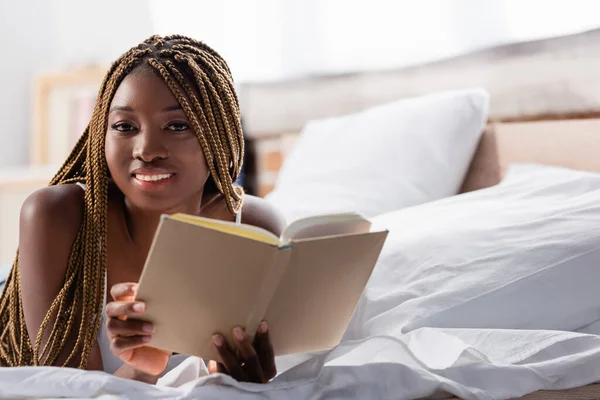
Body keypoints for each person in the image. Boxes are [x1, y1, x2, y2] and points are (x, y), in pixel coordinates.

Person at [0, 34, 286, 385]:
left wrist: (239, 382)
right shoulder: (55, 215)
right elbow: (67, 391)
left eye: (177, 126)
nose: (147, 149)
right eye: (125, 127)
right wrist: (141, 367)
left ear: (221, 136)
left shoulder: (254, 227)